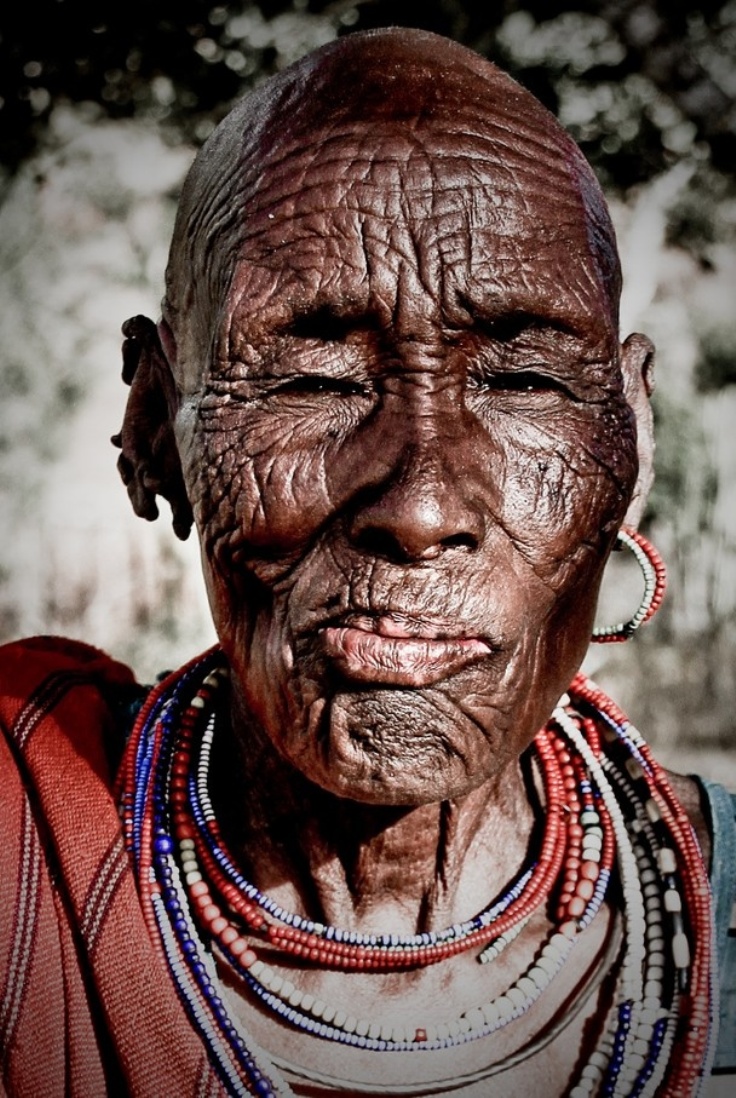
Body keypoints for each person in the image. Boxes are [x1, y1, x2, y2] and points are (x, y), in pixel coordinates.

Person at [1, 26, 734, 1098]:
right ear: (156, 425)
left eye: (524, 381)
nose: (422, 506)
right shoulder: (22, 855)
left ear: (629, 441)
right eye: (311, 381)